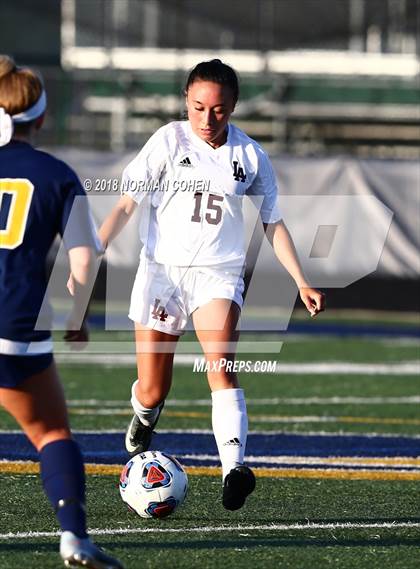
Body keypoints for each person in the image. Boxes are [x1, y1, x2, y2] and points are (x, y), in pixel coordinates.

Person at [98, 59, 325, 511]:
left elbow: (272, 223)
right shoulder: (167, 140)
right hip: (162, 273)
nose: (207, 119)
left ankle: (234, 468)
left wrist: (301, 280)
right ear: (186, 100)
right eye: (198, 107)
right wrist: (94, 249)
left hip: (218, 276)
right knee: (152, 389)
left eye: (218, 110)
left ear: (234, 106)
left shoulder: (250, 156)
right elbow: (127, 204)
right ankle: (145, 415)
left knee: (219, 363)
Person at [0, 55, 123, 569]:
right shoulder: (57, 175)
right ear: (42, 119)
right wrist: (77, 318)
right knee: (50, 433)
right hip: (15, 323)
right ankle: (73, 537)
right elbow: (83, 260)